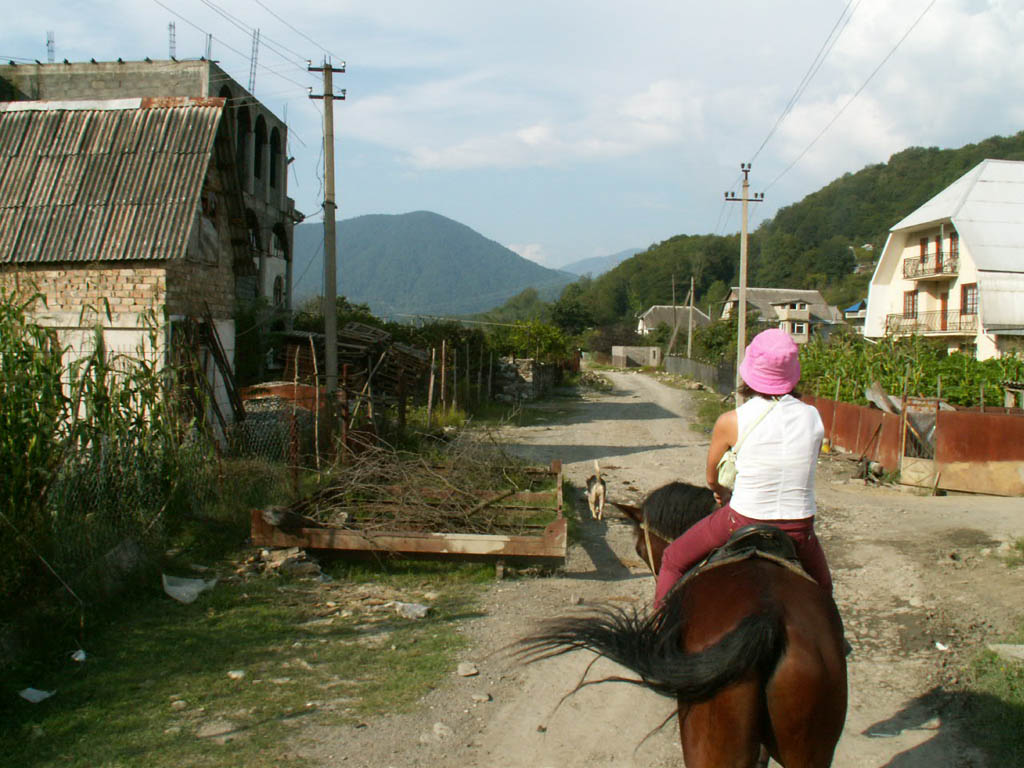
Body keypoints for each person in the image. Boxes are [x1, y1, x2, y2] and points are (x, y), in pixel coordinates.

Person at [654, 328, 833, 606]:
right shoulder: (813, 417)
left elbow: (712, 477)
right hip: (799, 527)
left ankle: (657, 626)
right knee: (823, 589)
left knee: (672, 560)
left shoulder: (731, 420)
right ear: (791, 373)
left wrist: (720, 492)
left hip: (744, 518)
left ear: (750, 373)